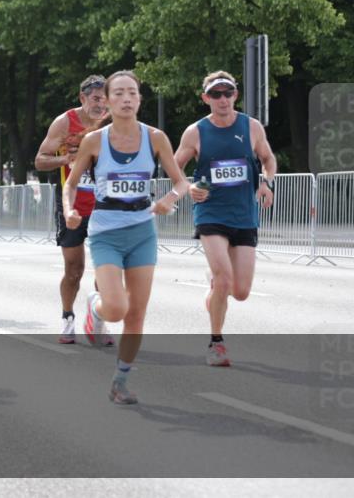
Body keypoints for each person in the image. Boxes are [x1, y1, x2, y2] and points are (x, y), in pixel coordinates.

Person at [62, 70, 189, 405]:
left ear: (140, 99)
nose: (126, 99)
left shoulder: (156, 138)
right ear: (107, 100)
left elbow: (181, 182)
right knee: (116, 308)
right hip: (106, 233)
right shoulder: (94, 141)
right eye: (118, 93)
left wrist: (168, 200)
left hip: (142, 232)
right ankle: (95, 308)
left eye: (132, 92)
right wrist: (69, 209)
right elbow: (71, 183)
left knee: (136, 315)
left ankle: (120, 380)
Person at [173, 71, 276, 367]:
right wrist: (189, 187)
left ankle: (216, 286)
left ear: (235, 95)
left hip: (244, 214)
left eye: (227, 93)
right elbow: (174, 165)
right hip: (211, 212)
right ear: (206, 98)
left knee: (240, 292)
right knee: (224, 279)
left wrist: (267, 182)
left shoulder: (251, 127)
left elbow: (268, 159)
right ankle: (216, 343)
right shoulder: (195, 132)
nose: (222, 99)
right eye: (215, 94)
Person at [34, 74, 110, 343]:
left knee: (108, 270)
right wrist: (66, 158)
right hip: (72, 205)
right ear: (83, 98)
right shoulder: (65, 122)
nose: (102, 105)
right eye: (96, 98)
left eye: (106, 99)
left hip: (106, 206)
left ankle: (98, 316)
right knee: (74, 270)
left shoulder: (115, 122)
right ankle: (67, 317)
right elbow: (40, 160)